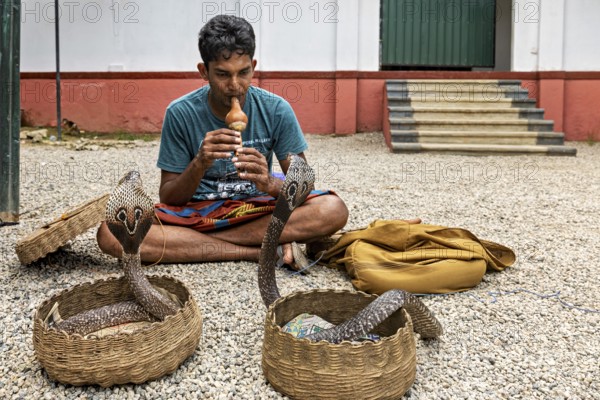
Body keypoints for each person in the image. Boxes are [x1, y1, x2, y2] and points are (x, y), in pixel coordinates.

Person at [97, 14, 349, 266]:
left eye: (244, 72)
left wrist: (270, 182)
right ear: (203, 71)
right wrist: (200, 163)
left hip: (253, 211)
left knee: (332, 209)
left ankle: (200, 243)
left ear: (254, 65)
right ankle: (255, 251)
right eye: (222, 74)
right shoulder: (181, 112)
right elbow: (170, 198)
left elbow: (303, 186)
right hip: (196, 213)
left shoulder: (276, 109)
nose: (235, 85)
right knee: (111, 232)